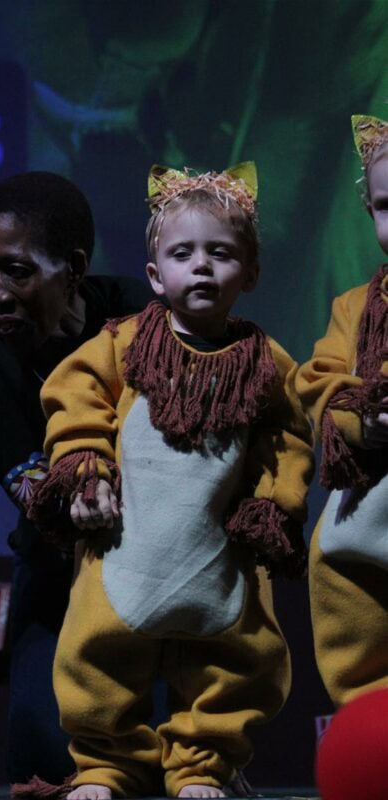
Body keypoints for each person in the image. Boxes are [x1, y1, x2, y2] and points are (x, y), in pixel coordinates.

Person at [28, 162, 314, 799]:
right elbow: (74, 399)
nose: (202, 266)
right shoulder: (124, 344)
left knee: (235, 663)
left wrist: (274, 504)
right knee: (98, 656)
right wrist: (86, 470)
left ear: (252, 272)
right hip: (126, 547)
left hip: (216, 555)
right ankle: (105, 766)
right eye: (183, 254)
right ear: (156, 275)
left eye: (221, 253)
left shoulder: (268, 364)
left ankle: (202, 765)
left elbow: (288, 439)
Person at [0, 171, 153, 787]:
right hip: (55, 583)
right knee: (46, 766)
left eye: (17, 271)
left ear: (74, 268)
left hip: (160, 575)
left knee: (162, 764)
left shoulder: (143, 324)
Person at [296, 114, 388, 708]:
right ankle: (367, 716)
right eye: (386, 205)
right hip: (372, 502)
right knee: (348, 590)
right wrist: (365, 416)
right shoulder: (354, 307)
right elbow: (320, 381)